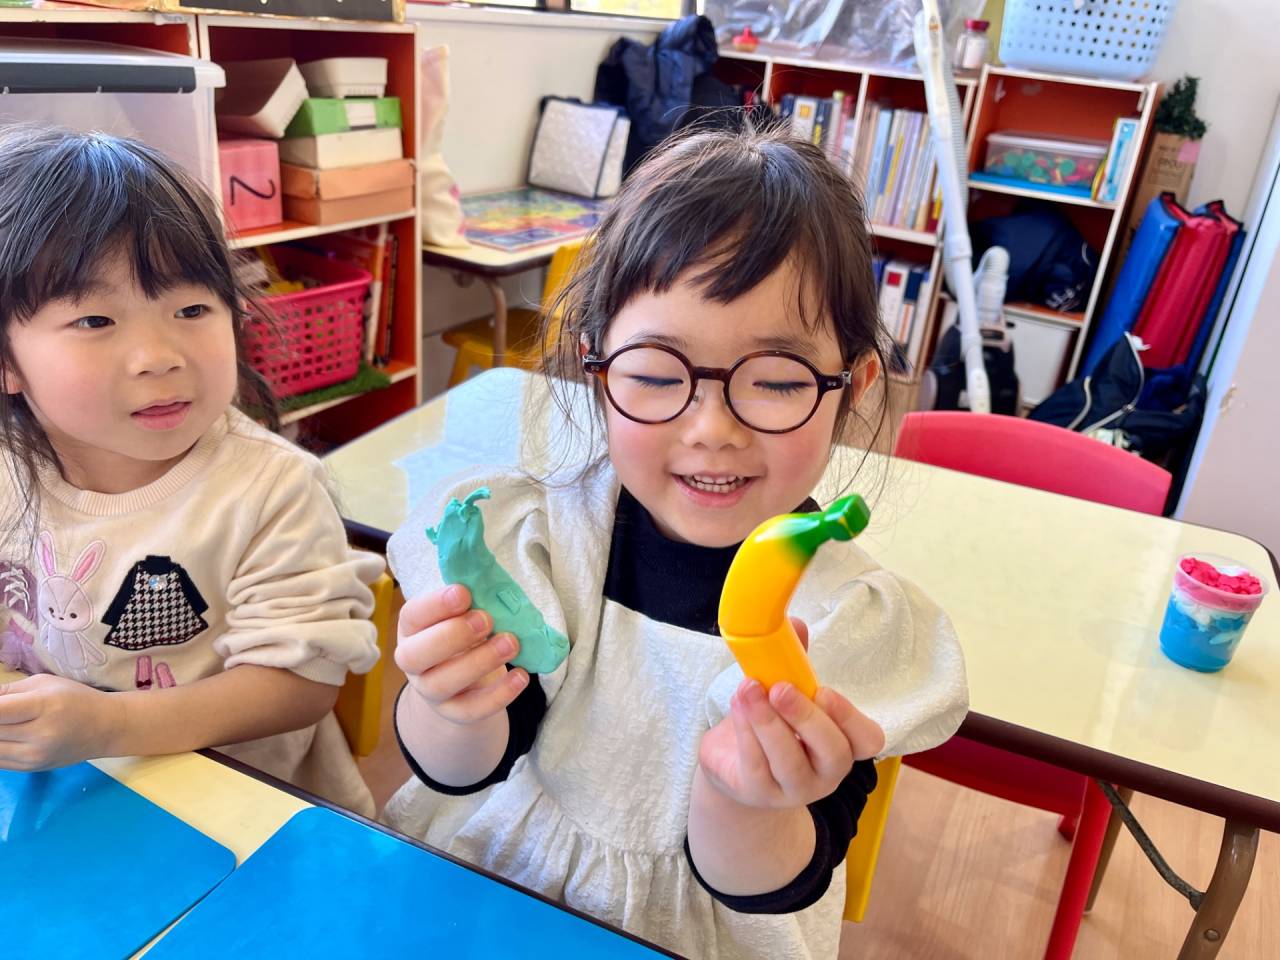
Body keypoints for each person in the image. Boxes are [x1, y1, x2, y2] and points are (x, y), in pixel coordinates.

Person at [386, 123, 968, 957]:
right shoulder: (546, 537)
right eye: (658, 375)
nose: (712, 428)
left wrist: (747, 798)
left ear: (853, 389)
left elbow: (769, 883)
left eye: (775, 381)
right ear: (595, 365)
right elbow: (462, 767)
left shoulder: (845, 618)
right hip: (498, 890)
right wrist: (446, 699)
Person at [0, 127, 382, 818]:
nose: (157, 355)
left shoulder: (270, 489)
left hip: (245, 807)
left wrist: (108, 726)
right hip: (72, 795)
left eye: (192, 310)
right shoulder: (9, 468)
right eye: (94, 320)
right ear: (8, 360)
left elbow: (301, 684)